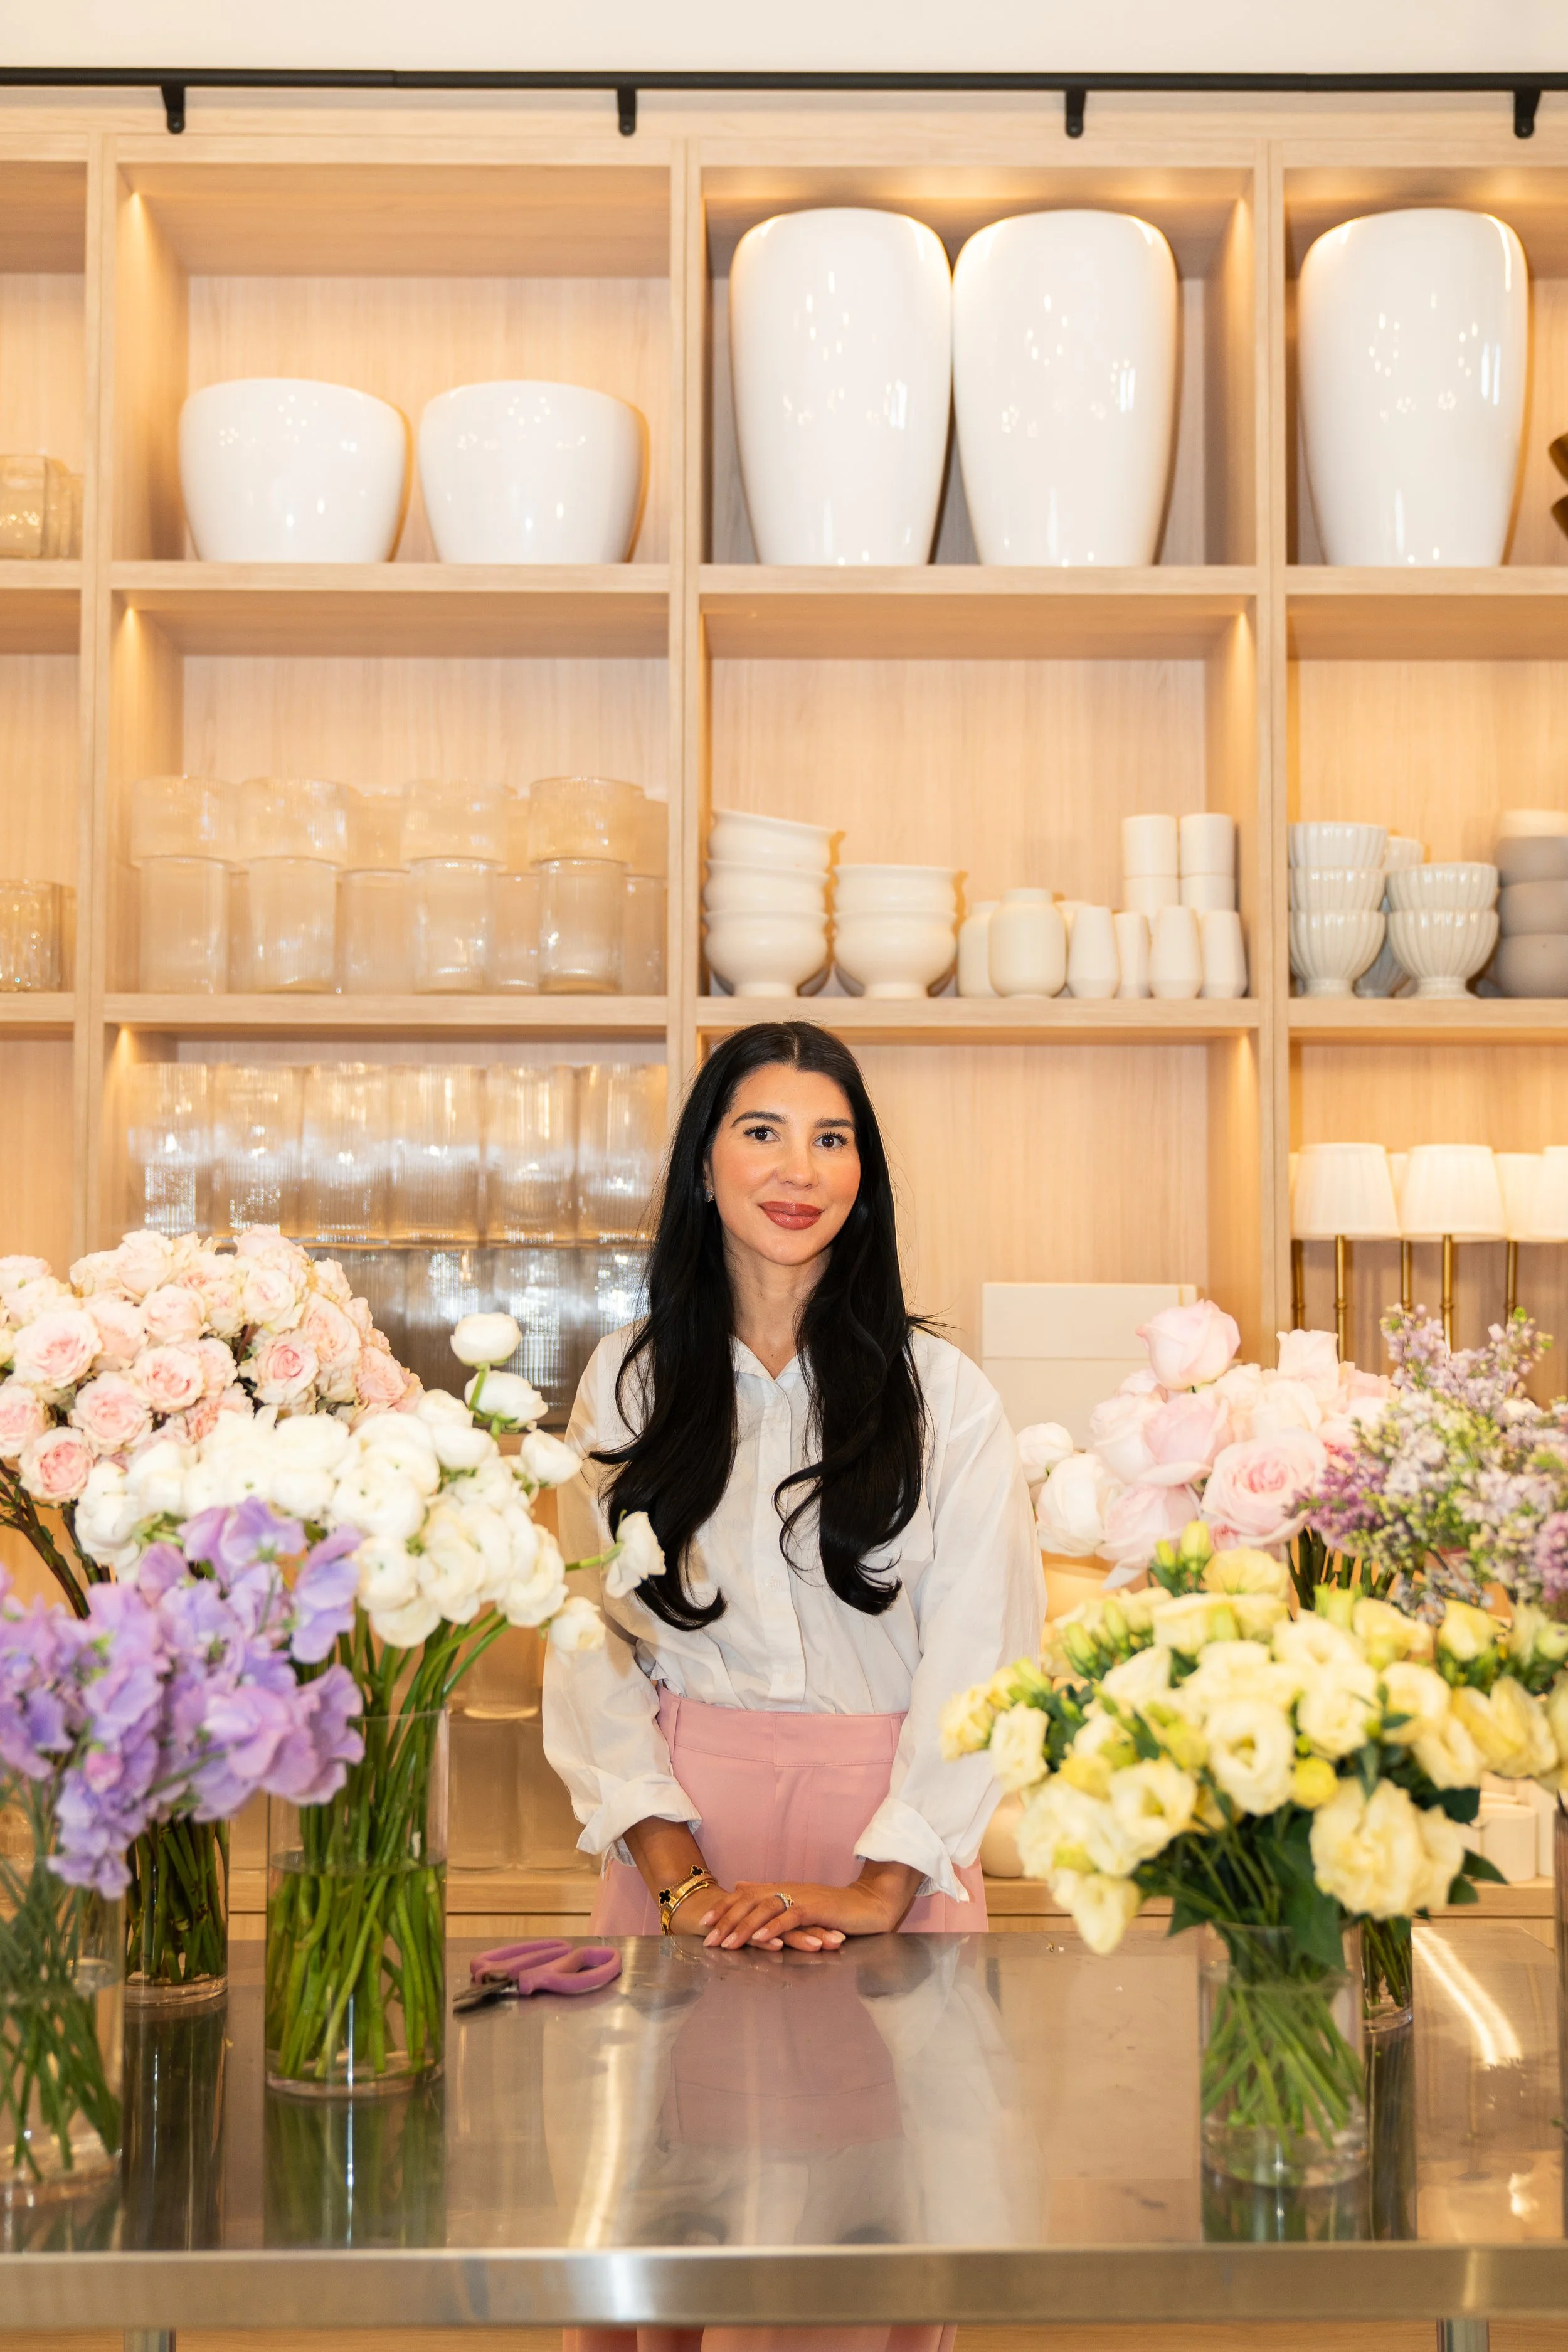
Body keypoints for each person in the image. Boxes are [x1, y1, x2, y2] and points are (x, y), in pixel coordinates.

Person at [546, 1020, 1042, 2352]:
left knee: (884, 2249)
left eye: (832, 1139)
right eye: (761, 1130)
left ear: (864, 1180)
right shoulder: (631, 1376)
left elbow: (981, 1659)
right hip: (676, 1841)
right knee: (663, 2244)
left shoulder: (942, 1395)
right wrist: (680, 1879)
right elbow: (586, 1640)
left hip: (890, 1832)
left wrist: (882, 1884)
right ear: (704, 1163)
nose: (798, 1166)